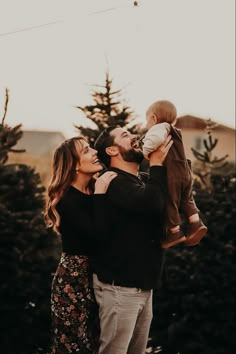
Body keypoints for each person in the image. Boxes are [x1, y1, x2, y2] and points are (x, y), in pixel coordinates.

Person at [93, 126, 173, 354]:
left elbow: (164, 198)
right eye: (124, 135)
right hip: (120, 289)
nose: (134, 136)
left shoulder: (142, 180)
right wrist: (156, 163)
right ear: (111, 150)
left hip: (143, 288)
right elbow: (150, 203)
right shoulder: (113, 181)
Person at [44, 136, 117, 354]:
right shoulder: (67, 199)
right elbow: (98, 235)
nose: (95, 152)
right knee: (74, 346)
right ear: (75, 164)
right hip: (73, 281)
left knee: (97, 343)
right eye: (86, 150)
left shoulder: (95, 188)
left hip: (99, 276)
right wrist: (102, 192)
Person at [142, 99, 207, 248]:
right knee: (186, 199)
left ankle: (174, 231)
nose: (146, 125)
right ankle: (195, 223)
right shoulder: (175, 131)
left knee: (170, 200)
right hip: (184, 171)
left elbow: (155, 139)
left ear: (154, 118)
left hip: (172, 173)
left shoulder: (159, 128)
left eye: (147, 120)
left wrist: (146, 151)